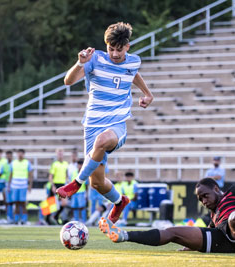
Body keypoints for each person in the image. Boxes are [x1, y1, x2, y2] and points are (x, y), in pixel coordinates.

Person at [57, 22, 154, 223]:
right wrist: (80, 62)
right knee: (98, 183)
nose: (115, 54)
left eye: (119, 49)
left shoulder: (133, 61)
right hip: (92, 124)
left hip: (117, 124)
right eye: (111, 49)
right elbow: (68, 81)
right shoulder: (95, 59)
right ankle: (120, 202)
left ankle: (75, 183)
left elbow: (133, 73)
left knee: (103, 141)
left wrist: (147, 94)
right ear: (106, 45)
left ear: (127, 46)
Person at [99, 178, 235, 256]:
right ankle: (123, 235)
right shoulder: (214, 214)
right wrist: (191, 243)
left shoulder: (234, 192)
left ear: (216, 189)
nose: (203, 201)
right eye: (200, 199)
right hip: (223, 240)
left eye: (205, 196)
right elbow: (208, 230)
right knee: (172, 232)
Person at [8, 149, 33, 225]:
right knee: (16, 203)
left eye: (21, 153)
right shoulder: (13, 163)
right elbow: (11, 175)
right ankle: (16, 219)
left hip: (23, 185)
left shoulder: (27, 163)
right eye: (18, 153)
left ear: (24, 154)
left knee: (23, 203)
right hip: (14, 185)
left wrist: (30, 185)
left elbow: (30, 175)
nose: (20, 155)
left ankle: (24, 219)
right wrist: (9, 185)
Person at [49, 148, 68, 223]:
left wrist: (68, 184)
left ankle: (56, 216)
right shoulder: (54, 164)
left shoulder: (66, 164)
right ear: (57, 154)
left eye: (61, 153)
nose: (60, 154)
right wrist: (53, 186)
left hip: (62, 185)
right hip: (55, 184)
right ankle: (47, 219)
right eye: (59, 153)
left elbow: (66, 175)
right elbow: (50, 176)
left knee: (64, 203)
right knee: (51, 204)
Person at [0, 150, 13, 223]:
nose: (8, 157)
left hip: (14, 183)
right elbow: (0, 174)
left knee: (17, 201)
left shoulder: (14, 164)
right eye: (7, 155)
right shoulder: (4, 165)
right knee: (8, 202)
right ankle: (9, 217)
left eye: (9, 155)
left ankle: (17, 218)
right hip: (7, 184)